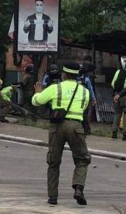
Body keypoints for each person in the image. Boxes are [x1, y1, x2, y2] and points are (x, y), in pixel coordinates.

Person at [32, 61, 91, 206]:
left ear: (64, 74)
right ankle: (78, 188)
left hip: (57, 126)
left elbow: (37, 101)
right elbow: (84, 108)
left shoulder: (55, 88)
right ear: (77, 75)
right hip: (76, 125)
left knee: (53, 161)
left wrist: (38, 92)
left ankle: (53, 197)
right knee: (82, 159)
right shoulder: (85, 91)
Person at [111, 58, 126, 140]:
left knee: (117, 113)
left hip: (116, 94)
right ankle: (125, 134)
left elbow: (113, 83)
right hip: (125, 96)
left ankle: (114, 132)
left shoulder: (118, 71)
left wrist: (115, 93)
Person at [78, 65, 97, 135]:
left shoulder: (86, 79)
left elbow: (90, 89)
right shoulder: (75, 78)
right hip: (76, 100)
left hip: (84, 100)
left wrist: (93, 99)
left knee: (84, 115)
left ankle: (86, 130)